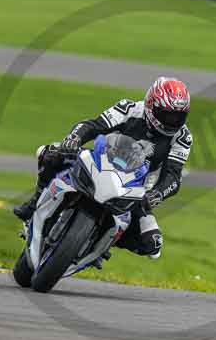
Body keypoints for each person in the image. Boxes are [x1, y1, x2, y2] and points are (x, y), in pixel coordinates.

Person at [14, 77, 192, 260]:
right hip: (102, 162)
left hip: (137, 189)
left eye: (178, 117)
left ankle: (105, 241)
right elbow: (93, 126)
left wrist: (158, 194)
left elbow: (173, 176)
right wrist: (74, 138)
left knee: (152, 245)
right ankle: (35, 202)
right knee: (50, 153)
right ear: (151, 104)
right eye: (167, 115)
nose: (172, 122)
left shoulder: (182, 137)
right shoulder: (129, 108)